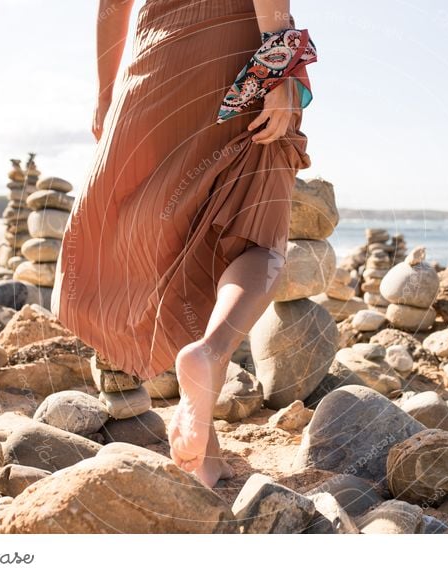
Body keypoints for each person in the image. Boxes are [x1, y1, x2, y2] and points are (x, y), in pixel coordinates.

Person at [50, 0, 317, 488]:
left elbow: (113, 5)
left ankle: (203, 458)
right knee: (256, 241)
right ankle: (210, 352)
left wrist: (107, 96)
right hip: (239, 58)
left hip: (157, 63)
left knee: (171, 245)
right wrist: (282, 66)